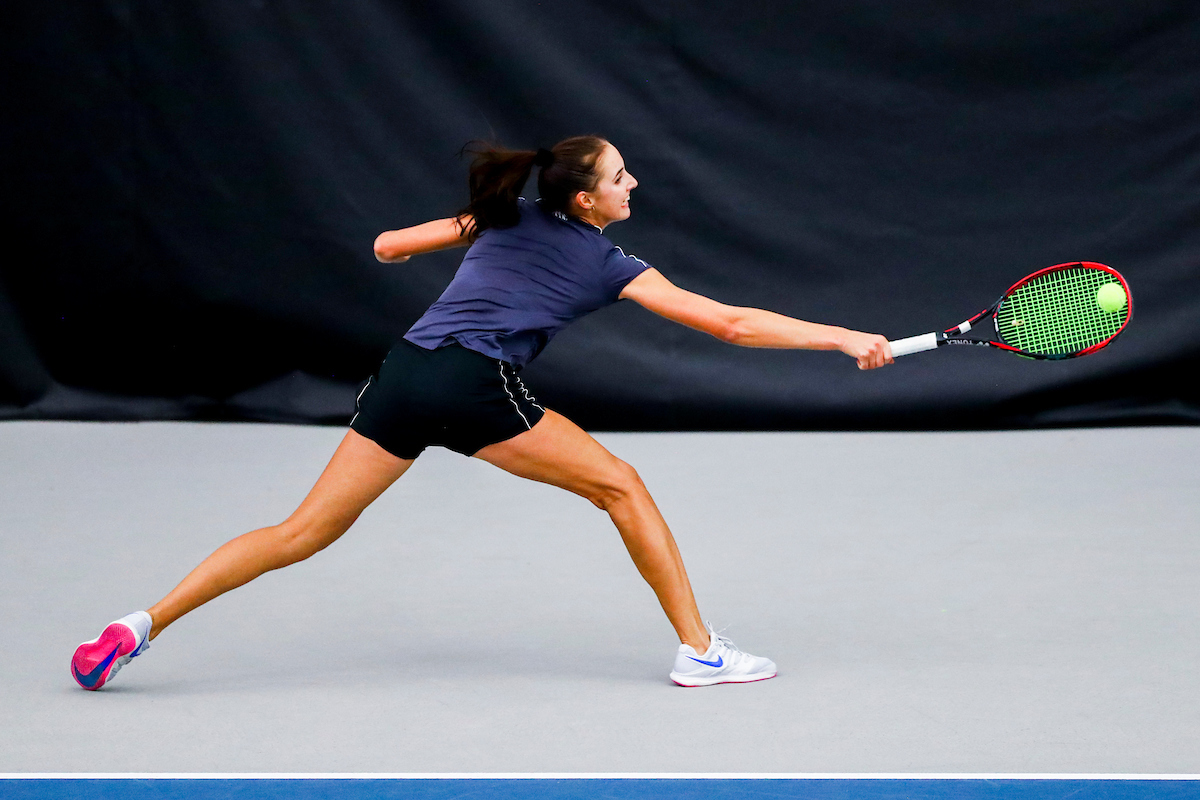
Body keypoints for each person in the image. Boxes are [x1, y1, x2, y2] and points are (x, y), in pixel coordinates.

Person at [70, 135, 893, 691]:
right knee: (623, 488)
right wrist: (843, 337)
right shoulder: (609, 262)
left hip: (401, 373)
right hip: (470, 383)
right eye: (618, 176)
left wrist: (464, 230)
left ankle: (141, 623)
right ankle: (703, 654)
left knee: (300, 533)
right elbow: (731, 324)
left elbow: (389, 245)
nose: (632, 182)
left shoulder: (504, 218)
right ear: (585, 197)